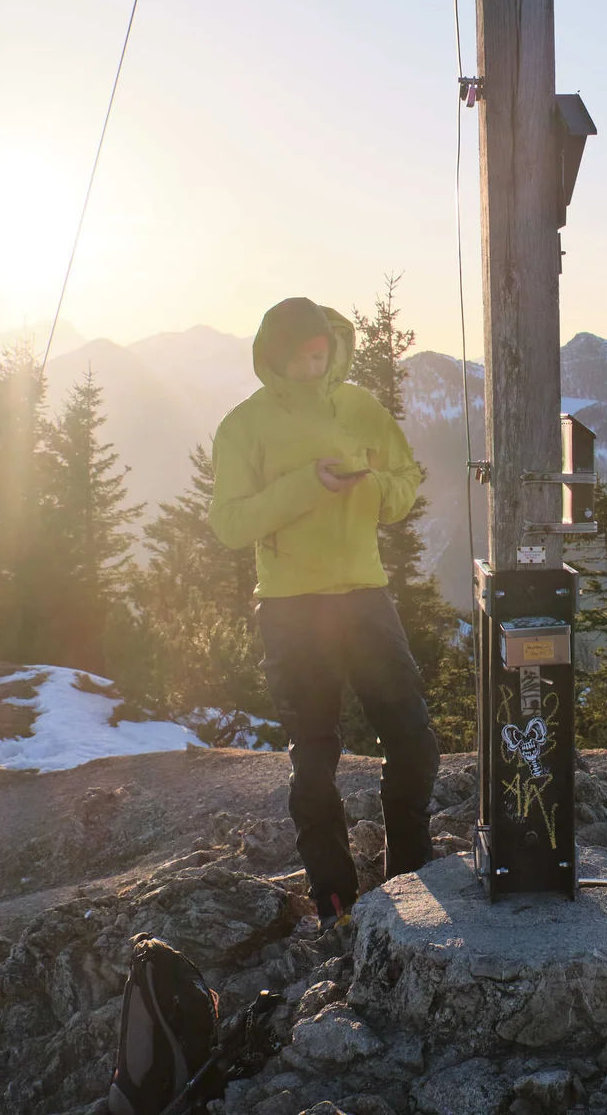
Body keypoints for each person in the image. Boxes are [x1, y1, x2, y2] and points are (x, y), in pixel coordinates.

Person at [210, 296, 441, 930]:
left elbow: (405, 480)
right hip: (290, 607)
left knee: (413, 738)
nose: (312, 367)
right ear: (274, 358)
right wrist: (310, 482)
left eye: (320, 354)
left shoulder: (361, 407)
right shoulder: (243, 426)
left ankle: (412, 876)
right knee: (314, 754)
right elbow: (231, 524)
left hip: (364, 595)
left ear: (334, 348)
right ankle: (334, 899)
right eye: (299, 358)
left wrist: (371, 486)